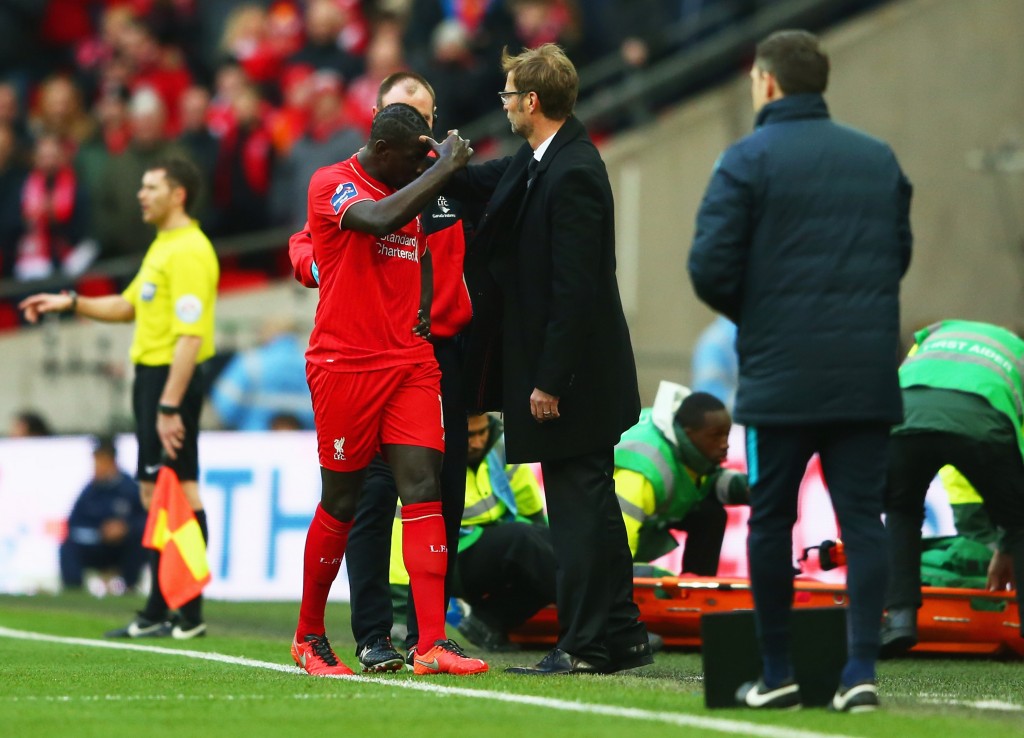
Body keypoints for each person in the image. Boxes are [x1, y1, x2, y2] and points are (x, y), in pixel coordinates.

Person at [688, 30, 912, 712]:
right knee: (865, 523)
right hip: (865, 375)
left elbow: (708, 267)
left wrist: (761, 316)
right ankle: (860, 674)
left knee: (768, 523)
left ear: (767, 82)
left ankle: (779, 671)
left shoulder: (746, 159)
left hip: (781, 378)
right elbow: (897, 255)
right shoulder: (878, 160)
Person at [447, 43, 649, 676]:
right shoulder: (542, 161)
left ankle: (585, 645)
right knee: (592, 504)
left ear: (531, 102)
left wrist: (549, 380)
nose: (503, 106)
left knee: (578, 511)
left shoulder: (575, 171)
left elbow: (576, 288)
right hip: (570, 375)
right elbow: (484, 181)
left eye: (508, 95)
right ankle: (620, 635)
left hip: (575, 380)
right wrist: (432, 158)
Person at [289, 101, 486, 677]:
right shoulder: (334, 184)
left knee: (423, 487)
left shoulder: (412, 188)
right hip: (344, 364)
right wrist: (442, 169)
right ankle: (308, 637)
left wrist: (423, 307)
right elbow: (375, 221)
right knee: (343, 502)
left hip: (409, 361)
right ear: (382, 152)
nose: (419, 169)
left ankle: (431, 643)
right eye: (412, 161)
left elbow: (418, 253)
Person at [21, 156, 219, 641]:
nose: (140, 194)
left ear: (178, 195)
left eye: (151, 186)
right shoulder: (163, 247)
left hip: (169, 380)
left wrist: (170, 404)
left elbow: (190, 337)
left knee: (174, 491)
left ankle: (177, 610)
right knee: (165, 490)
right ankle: (174, 610)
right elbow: (128, 304)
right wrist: (70, 301)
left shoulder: (190, 251)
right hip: (153, 379)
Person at [880, 320, 1024, 656]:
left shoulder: (929, 338)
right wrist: (1009, 536)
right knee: (1021, 524)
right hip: (981, 422)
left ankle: (900, 619)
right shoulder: (1016, 353)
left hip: (904, 418)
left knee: (902, 509)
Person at [389, 413, 555, 652]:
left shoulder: (502, 449)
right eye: (470, 435)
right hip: (449, 560)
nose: (477, 442)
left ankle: (488, 622)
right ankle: (594, 620)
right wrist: (401, 612)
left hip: (493, 549)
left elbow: (534, 516)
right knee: (524, 541)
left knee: (550, 548)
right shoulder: (429, 461)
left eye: (482, 433)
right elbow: (400, 535)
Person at [614, 382, 749, 575]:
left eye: (726, 436)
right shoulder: (643, 471)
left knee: (710, 514)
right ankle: (690, 590)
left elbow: (703, 483)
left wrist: (745, 488)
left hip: (623, 527)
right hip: (576, 542)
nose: (724, 445)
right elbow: (611, 555)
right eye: (716, 436)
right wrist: (663, 583)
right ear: (689, 434)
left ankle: (699, 586)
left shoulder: (682, 443)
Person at [59, 436, 146, 594]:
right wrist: (98, 531)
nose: (96, 466)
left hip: (123, 547)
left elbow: (147, 520)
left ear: (111, 461)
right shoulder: (90, 490)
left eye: (100, 461)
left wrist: (126, 528)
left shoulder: (130, 488)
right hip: (97, 544)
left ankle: (130, 588)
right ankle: (73, 591)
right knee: (68, 546)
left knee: (138, 543)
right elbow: (74, 522)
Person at [210, 316, 314, 431]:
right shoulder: (311, 365)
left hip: (256, 440)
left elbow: (224, 405)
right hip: (305, 442)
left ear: (268, 335)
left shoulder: (250, 362)